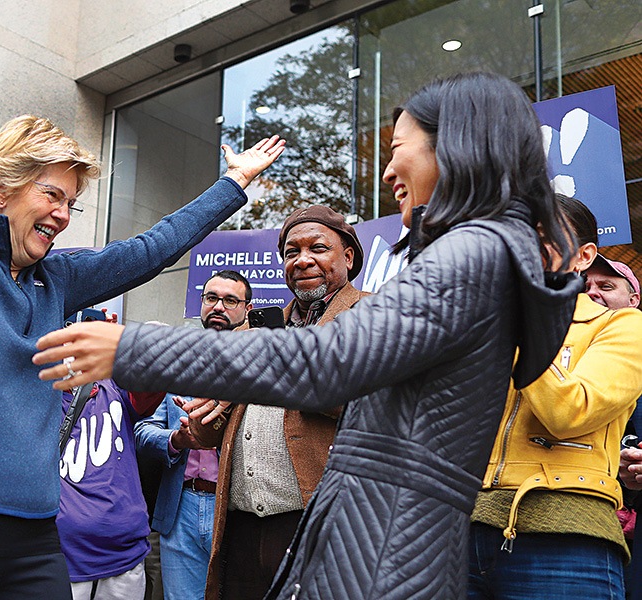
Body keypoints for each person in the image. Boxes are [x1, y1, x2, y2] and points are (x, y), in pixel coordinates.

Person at [34, 71, 585, 599]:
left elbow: (327, 362)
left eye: (398, 148)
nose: (389, 170)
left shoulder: (476, 254)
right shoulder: (482, 256)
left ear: (458, 147)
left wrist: (132, 348)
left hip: (383, 552)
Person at [0, 2, 283, 598]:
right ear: (1, 189)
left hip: (34, 539)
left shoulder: (61, 279)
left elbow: (154, 247)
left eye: (72, 202)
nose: (64, 215)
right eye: (53, 194)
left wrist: (233, 185)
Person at [186, 210, 368, 600]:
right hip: (240, 527)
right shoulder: (254, 329)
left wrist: (275, 374)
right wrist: (203, 418)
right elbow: (210, 431)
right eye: (291, 252)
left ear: (348, 257)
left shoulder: (375, 314)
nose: (302, 260)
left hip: (318, 524)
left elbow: (374, 403)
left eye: (317, 248)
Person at [468, 195, 642, 599]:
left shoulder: (621, 324)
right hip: (460, 531)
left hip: (567, 538)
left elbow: (570, 412)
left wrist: (519, 321)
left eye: (542, 237)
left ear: (584, 256)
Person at [134, 270, 253, 600]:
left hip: (232, 510)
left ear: (247, 307)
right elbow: (142, 430)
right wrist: (177, 440)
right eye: (211, 298)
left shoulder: (261, 362)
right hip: (180, 507)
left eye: (230, 300)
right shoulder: (175, 364)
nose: (219, 306)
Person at [58, 371, 165, 599]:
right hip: (61, 556)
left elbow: (156, 372)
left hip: (124, 553)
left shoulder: (116, 384)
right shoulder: (33, 393)